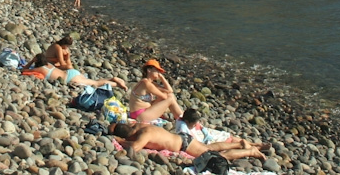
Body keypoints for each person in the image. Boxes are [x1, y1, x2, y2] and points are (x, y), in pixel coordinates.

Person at [110, 122, 265, 161]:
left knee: (217, 157)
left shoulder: (144, 135)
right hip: (183, 139)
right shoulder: (140, 126)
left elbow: (135, 147)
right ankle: (239, 144)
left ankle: (251, 151)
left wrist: (121, 142)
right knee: (210, 147)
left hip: (183, 144)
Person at [128, 59, 183, 124]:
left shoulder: (149, 83)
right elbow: (164, 97)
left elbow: (170, 91)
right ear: (149, 70)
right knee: (170, 98)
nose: (158, 73)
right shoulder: (146, 83)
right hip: (140, 115)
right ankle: (184, 120)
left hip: (142, 112)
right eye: (157, 70)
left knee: (170, 95)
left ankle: (183, 119)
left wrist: (162, 78)